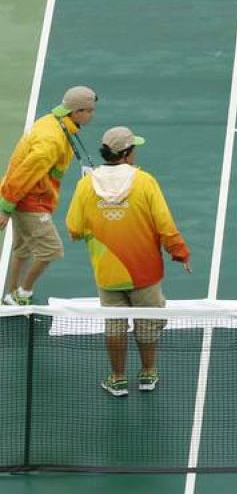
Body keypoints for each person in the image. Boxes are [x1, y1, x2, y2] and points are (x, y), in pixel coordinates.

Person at [64, 127, 190, 396]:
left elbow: (73, 228)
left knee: (115, 325)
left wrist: (98, 223)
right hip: (144, 270)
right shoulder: (145, 181)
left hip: (108, 271)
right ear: (127, 153)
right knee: (147, 323)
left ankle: (118, 378)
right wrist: (179, 251)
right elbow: (164, 223)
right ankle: (147, 374)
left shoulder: (87, 185)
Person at [1, 85, 97, 305]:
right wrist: (5, 208)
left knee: (22, 247)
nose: (92, 114)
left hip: (30, 196)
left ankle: (11, 294)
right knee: (51, 250)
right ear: (76, 112)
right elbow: (24, 174)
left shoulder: (55, 122)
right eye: (89, 110)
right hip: (30, 200)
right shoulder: (51, 141)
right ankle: (23, 293)